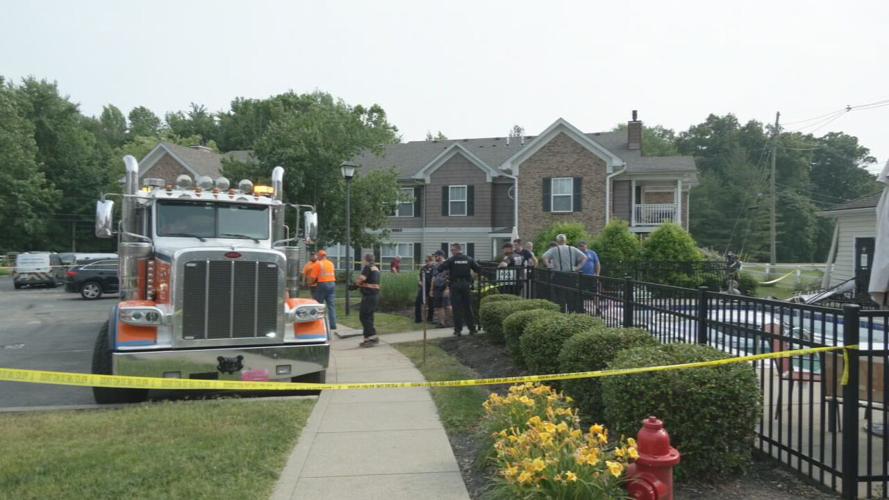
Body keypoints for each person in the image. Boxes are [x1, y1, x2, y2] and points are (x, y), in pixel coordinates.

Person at [437, 243, 480, 336]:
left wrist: (442, 264)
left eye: (452, 250)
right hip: (466, 285)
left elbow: (440, 269)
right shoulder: (468, 259)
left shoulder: (451, 260)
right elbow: (478, 269)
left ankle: (458, 330)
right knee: (468, 307)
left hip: (455, 285)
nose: (451, 252)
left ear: (457, 250)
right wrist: (472, 279)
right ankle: (472, 329)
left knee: (457, 308)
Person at [353, 253, 381, 347]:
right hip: (375, 296)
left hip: (369, 296)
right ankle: (367, 339)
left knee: (364, 317)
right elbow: (372, 282)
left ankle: (373, 337)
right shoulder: (376, 268)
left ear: (365, 260)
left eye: (363, 259)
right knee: (369, 317)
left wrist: (355, 285)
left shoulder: (367, 267)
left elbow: (361, 279)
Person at [308, 249, 337, 333]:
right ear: (325, 256)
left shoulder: (318, 264)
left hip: (322, 285)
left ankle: (317, 323)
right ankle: (333, 325)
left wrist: (310, 283)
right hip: (332, 284)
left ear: (320, 256)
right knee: (331, 305)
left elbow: (313, 277)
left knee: (318, 305)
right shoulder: (331, 263)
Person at [431, 250, 452, 327]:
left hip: (445, 287)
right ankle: (441, 323)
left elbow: (449, 277)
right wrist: (431, 289)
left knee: (447, 306)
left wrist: (447, 288)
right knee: (439, 306)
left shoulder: (447, 264)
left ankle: (449, 321)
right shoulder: (435, 265)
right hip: (437, 287)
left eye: (436, 256)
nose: (435, 257)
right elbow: (434, 277)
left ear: (440, 256)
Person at [415, 255, 435, 323]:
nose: (427, 262)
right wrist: (420, 282)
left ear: (432, 261)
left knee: (431, 304)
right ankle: (418, 319)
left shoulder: (434, 268)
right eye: (425, 261)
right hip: (423, 288)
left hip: (431, 288)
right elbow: (419, 277)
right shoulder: (423, 268)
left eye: (428, 261)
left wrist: (432, 289)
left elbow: (434, 278)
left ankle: (430, 318)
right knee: (418, 301)